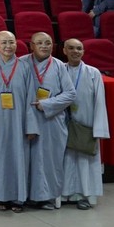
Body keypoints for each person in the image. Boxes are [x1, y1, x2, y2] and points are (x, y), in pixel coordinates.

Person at [21, 31, 76, 209]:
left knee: (48, 161)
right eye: (40, 43)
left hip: (51, 121)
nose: (44, 46)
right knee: (25, 159)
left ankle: (46, 197)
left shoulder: (59, 66)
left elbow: (70, 94)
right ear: (31, 45)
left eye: (48, 43)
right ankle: (23, 195)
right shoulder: (21, 63)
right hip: (25, 119)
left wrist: (48, 104)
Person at [0, 31, 36, 212]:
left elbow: (31, 98)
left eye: (11, 42)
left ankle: (18, 197)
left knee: (19, 158)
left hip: (19, 121)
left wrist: (30, 126)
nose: (8, 46)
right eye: (4, 42)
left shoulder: (24, 66)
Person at [60, 39, 110, 209]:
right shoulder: (60, 70)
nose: (76, 51)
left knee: (84, 160)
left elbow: (99, 102)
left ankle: (85, 195)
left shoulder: (93, 73)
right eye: (71, 48)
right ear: (64, 50)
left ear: (83, 51)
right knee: (66, 160)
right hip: (64, 125)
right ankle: (64, 194)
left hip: (85, 125)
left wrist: (98, 129)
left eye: (79, 48)